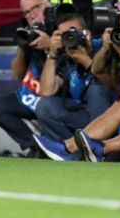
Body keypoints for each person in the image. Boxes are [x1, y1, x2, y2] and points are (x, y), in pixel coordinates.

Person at [0, 0, 51, 154]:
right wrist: (22, 46)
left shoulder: (60, 27)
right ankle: (35, 146)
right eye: (27, 12)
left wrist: (50, 45)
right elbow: (17, 75)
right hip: (33, 97)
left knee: (48, 107)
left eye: (36, 7)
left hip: (56, 99)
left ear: (47, 4)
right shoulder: (28, 33)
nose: (32, 15)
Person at [34, 11, 115, 143]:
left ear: (87, 33)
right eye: (64, 35)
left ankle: (97, 150)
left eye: (72, 31)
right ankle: (72, 154)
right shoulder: (66, 55)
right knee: (44, 106)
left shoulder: (102, 46)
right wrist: (52, 53)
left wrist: (87, 62)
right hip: (83, 115)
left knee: (96, 88)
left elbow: (113, 85)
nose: (69, 37)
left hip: (110, 117)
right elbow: (45, 91)